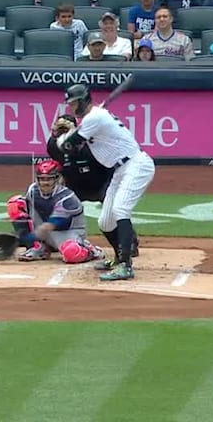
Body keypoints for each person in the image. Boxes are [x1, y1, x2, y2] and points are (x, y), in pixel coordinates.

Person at [54, 85, 156, 281]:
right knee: (106, 222)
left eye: (74, 103)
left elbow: (68, 145)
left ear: (83, 100)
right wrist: (71, 134)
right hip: (120, 170)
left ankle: (126, 265)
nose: (71, 107)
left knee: (120, 211)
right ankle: (119, 259)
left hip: (136, 165)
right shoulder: (94, 118)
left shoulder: (95, 117)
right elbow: (74, 145)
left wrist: (63, 137)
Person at [46, 115, 140, 262]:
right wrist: (56, 135)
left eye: (67, 130)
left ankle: (128, 243)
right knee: (57, 205)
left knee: (115, 211)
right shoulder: (53, 146)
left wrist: (75, 137)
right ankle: (53, 240)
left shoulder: (91, 142)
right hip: (74, 185)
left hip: (101, 183)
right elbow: (56, 147)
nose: (64, 133)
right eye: (61, 130)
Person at [5, 159, 105, 264]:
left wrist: (25, 238)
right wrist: (23, 233)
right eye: (42, 179)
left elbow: (54, 223)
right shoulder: (33, 191)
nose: (45, 183)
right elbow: (28, 213)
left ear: (58, 179)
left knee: (72, 253)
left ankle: (90, 251)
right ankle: (38, 248)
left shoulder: (67, 197)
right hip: (43, 232)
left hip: (67, 233)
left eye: (49, 179)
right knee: (15, 204)